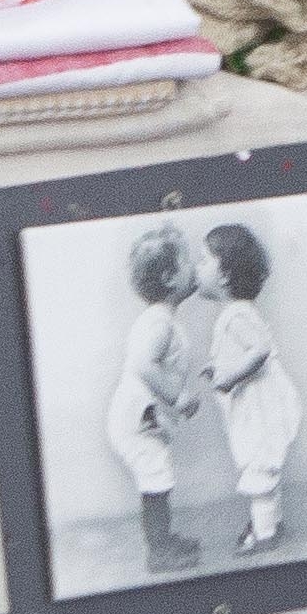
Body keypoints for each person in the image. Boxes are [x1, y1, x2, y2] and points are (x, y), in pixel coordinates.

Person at [100, 224, 212, 574]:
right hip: (136, 419)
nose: (196, 266)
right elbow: (142, 365)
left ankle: (163, 541)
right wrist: (178, 397)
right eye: (188, 261)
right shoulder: (158, 323)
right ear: (169, 278)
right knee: (156, 477)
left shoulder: (162, 320)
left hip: (142, 416)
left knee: (158, 476)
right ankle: (159, 551)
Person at [200, 220, 305, 551]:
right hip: (257, 400)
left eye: (203, 261)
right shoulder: (237, 312)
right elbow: (244, 352)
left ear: (225, 275)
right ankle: (270, 522)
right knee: (261, 463)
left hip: (259, 404)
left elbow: (259, 350)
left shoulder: (235, 315)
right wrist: (219, 368)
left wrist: (229, 376)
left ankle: (265, 535)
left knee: (259, 463)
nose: (197, 269)